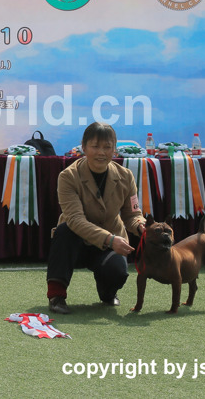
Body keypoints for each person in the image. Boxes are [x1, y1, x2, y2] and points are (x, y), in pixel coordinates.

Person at [46, 122, 146, 315]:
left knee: (117, 271)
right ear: (83, 147)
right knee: (64, 230)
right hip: (77, 242)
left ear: (114, 149)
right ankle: (56, 295)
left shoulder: (126, 176)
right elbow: (75, 220)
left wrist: (141, 227)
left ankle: (108, 293)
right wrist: (110, 239)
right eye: (95, 146)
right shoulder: (67, 177)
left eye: (107, 147)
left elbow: (133, 215)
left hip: (110, 243)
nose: (101, 152)